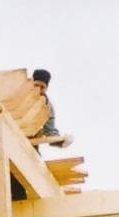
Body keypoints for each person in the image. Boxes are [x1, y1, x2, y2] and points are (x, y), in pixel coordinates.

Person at [11, 68, 73, 202]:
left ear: (47, 88)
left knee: (33, 173)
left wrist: (61, 141)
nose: (39, 89)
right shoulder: (19, 98)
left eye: (42, 87)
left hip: (31, 146)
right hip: (12, 141)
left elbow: (50, 133)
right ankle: (17, 199)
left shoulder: (47, 106)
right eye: (36, 85)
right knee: (12, 177)